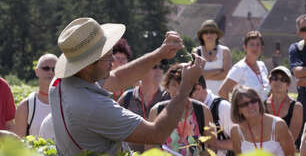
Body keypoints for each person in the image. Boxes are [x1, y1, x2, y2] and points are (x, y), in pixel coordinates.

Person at [48, 17, 204, 155]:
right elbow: (157, 133)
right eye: (108, 57)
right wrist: (185, 87)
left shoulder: (62, 82)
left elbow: (117, 78)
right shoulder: (93, 107)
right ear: (88, 66)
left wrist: (159, 54)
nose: (113, 62)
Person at [146, 64, 214, 156]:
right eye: (174, 85)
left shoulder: (203, 111)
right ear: (167, 87)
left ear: (191, 88)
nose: (178, 90)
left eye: (182, 85)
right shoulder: (157, 111)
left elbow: (211, 146)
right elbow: (150, 150)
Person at [118, 59, 171, 152]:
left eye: (161, 67)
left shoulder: (168, 98)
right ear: (141, 72)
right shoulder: (127, 97)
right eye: (154, 67)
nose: (159, 70)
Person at [229, 86, 295, 156]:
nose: (250, 106)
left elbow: (290, 154)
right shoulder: (235, 131)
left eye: (253, 101)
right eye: (244, 104)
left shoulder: (278, 125)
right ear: (238, 110)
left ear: (259, 102)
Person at [190, 69, 235, 156]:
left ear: (198, 89)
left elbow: (240, 142)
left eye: (186, 94)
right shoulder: (188, 110)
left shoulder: (222, 107)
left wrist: (213, 143)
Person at [12, 54, 57, 137]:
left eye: (55, 69)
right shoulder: (25, 106)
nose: (51, 72)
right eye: (46, 68)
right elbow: (19, 143)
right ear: (37, 72)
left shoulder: (68, 103)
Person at [219, 31, 270, 100]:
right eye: (252, 44)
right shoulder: (240, 68)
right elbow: (222, 91)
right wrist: (231, 109)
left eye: (258, 44)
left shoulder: (262, 66)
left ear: (262, 48)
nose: (255, 48)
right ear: (245, 47)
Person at [265, 66, 303, 148]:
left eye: (283, 79)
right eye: (275, 78)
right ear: (269, 81)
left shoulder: (296, 107)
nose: (278, 82)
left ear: (288, 84)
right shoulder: (261, 105)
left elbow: (292, 137)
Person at [193, 20, 231, 95]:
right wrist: (218, 70)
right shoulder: (196, 52)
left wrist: (204, 75)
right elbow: (196, 76)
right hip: (201, 97)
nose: (209, 34)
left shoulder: (225, 51)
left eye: (212, 32)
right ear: (202, 35)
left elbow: (227, 75)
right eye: (206, 32)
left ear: (217, 35)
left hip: (221, 97)